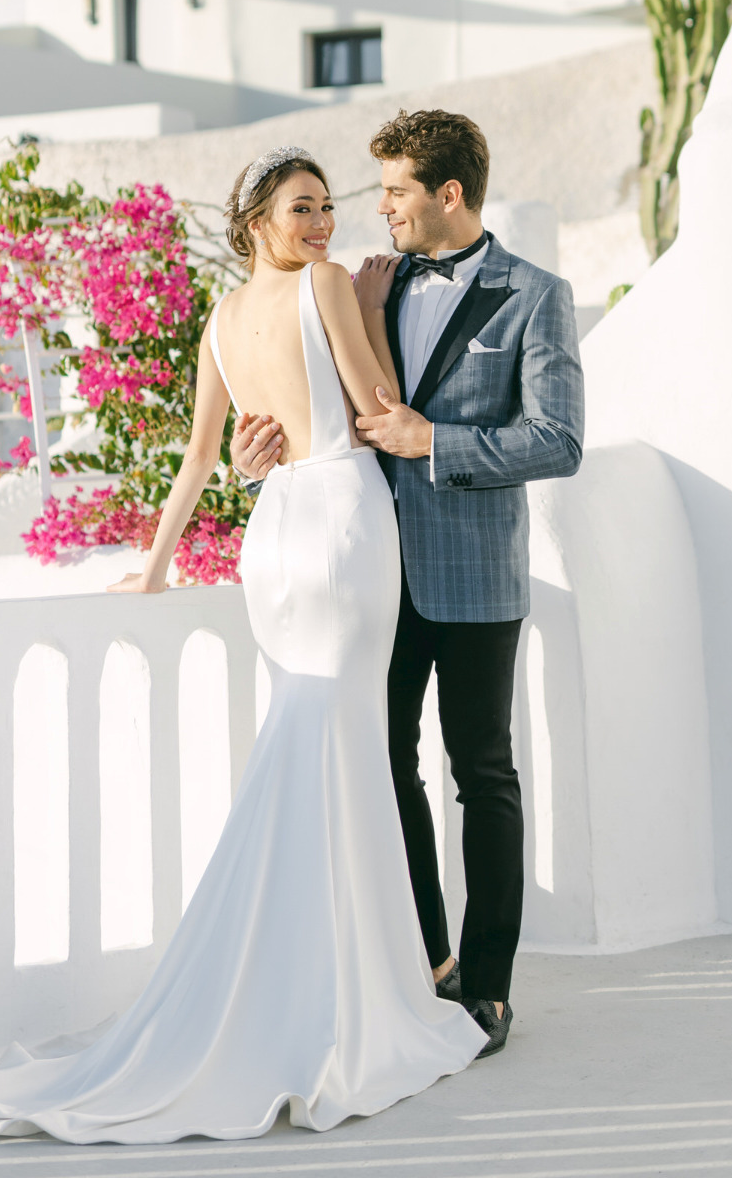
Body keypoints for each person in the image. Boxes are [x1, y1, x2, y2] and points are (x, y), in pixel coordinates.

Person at [0, 145, 486, 1144]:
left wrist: (154, 568)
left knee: (305, 746)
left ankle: (296, 982)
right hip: (339, 523)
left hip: (272, 538)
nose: (323, 226)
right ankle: (351, 1002)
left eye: (327, 208)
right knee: (344, 749)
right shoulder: (328, 286)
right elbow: (375, 412)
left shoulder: (221, 322)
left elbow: (203, 458)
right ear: (256, 224)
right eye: (301, 208)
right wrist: (367, 310)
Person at [232, 110, 584, 1057]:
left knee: (485, 775)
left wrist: (438, 441)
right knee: (384, 767)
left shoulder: (534, 295)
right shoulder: (363, 288)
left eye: (393, 192)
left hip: (474, 578)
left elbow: (560, 442)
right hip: (372, 574)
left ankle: (491, 985)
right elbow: (319, 411)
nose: (375, 208)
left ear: (450, 195)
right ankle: (428, 960)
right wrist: (255, 454)